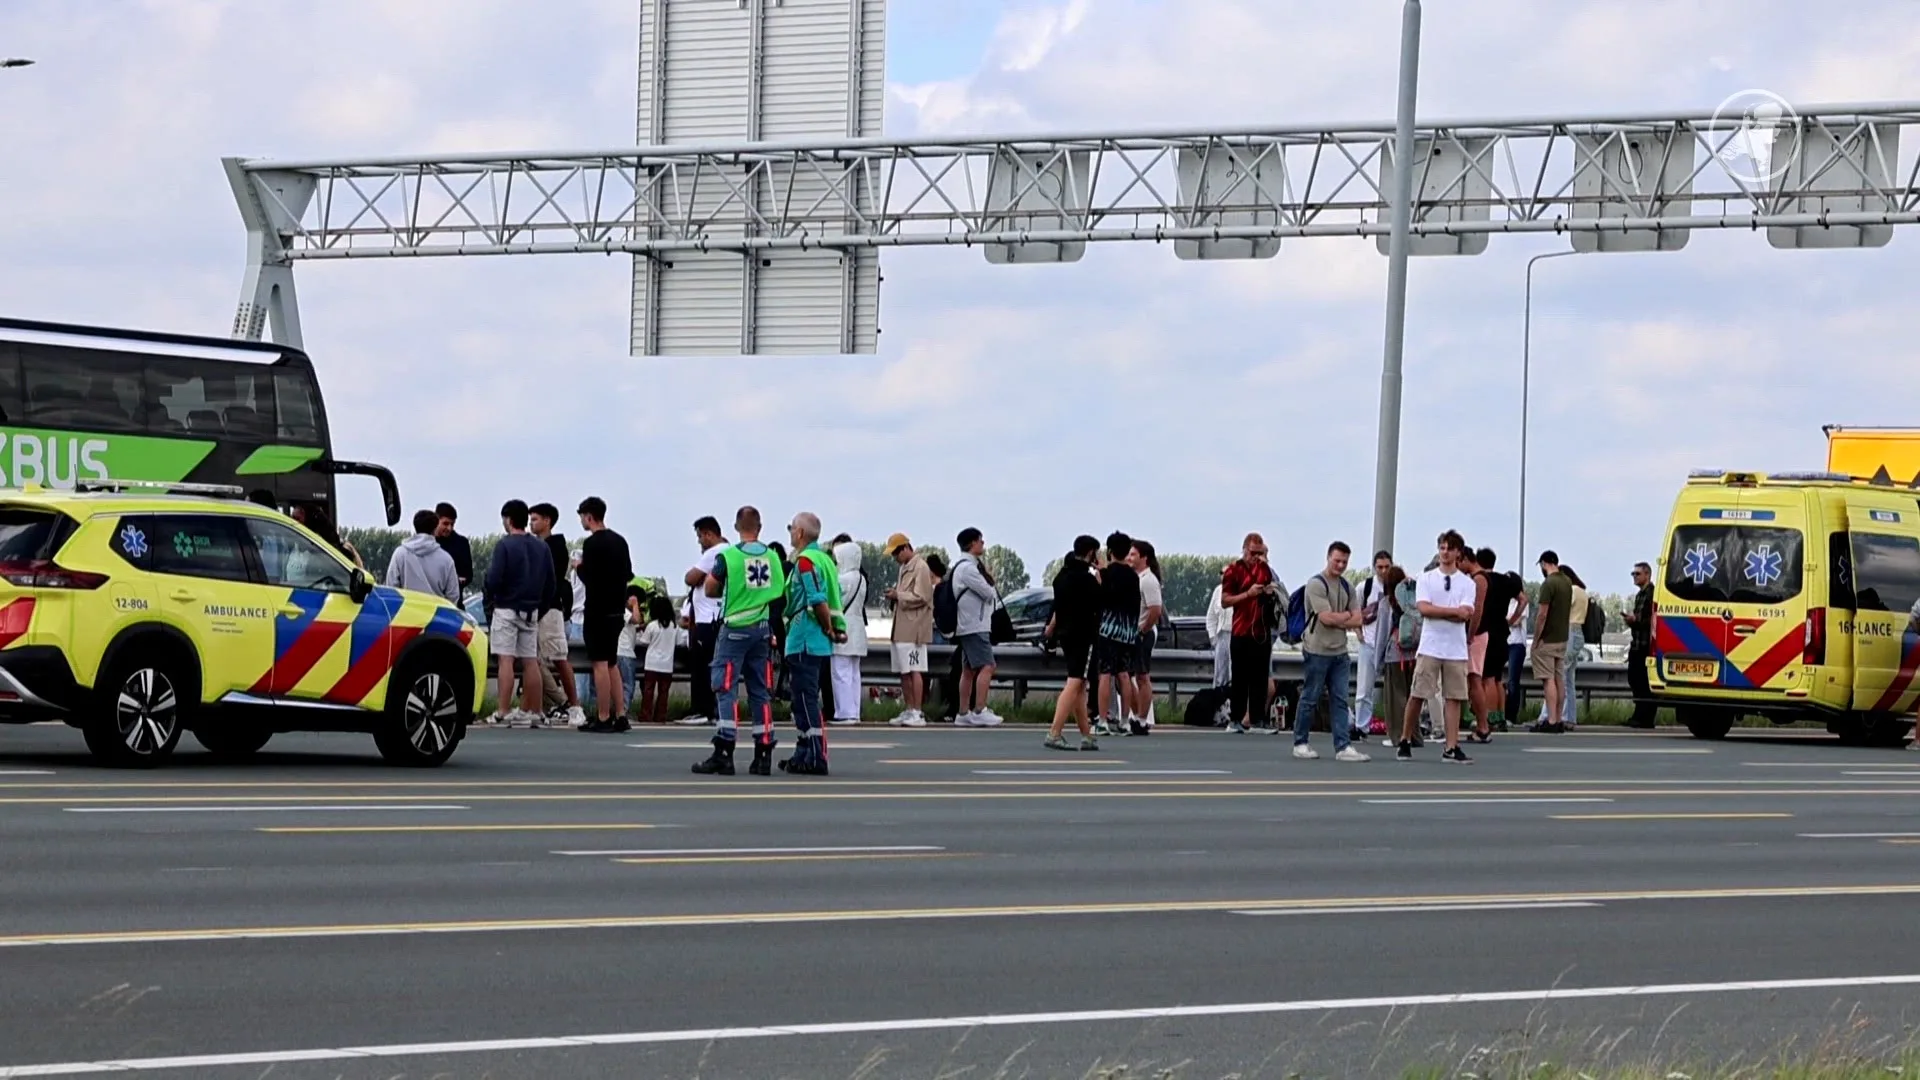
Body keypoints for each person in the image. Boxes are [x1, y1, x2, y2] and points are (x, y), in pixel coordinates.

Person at [693, 507, 786, 777]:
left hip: (734, 629)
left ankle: (724, 750)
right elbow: (778, 589)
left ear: (736, 527)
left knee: (726, 689)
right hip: (762, 629)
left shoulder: (728, 556)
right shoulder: (772, 557)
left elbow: (710, 587)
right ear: (760, 527)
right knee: (760, 691)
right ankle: (764, 753)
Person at [779, 513, 846, 775]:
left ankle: (816, 754)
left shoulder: (807, 561)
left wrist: (828, 627)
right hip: (815, 639)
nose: (790, 533)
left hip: (806, 637)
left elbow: (817, 598)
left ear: (800, 533)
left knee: (805, 700)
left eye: (791, 528)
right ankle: (804, 751)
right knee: (802, 699)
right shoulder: (826, 560)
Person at [1404, 530, 1475, 764]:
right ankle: (1405, 738)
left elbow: (1466, 614)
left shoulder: (1467, 583)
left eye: (1449, 548)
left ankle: (1451, 746)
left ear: (1457, 552)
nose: (1445, 552)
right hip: (1430, 646)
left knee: (1453, 696)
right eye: (1442, 548)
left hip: (1455, 649)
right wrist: (1452, 611)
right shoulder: (1426, 578)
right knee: (1418, 693)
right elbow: (1424, 609)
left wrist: (1444, 612)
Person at [483, 499, 554, 726]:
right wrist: (539, 607)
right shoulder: (542, 547)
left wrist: (492, 600)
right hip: (532, 610)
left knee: (506, 661)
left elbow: (494, 579)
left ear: (508, 520)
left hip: (506, 608)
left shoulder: (504, 545)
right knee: (530, 661)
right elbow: (551, 584)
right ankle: (536, 709)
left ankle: (503, 710)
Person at [1296, 541, 1368, 762]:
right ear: (1328, 558)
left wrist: (1344, 618)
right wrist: (1346, 617)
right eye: (1337, 560)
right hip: (1317, 650)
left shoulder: (1348, 587)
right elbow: (1325, 618)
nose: (1340, 565)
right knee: (1310, 697)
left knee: (1340, 699)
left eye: (1344, 562)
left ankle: (1343, 746)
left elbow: (1359, 617)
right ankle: (1300, 742)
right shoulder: (1315, 584)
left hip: (1340, 652)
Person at [576, 497, 634, 733]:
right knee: (612, 663)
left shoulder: (592, 545)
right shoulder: (620, 541)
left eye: (582, 516)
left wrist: (578, 567)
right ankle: (621, 714)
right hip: (616, 610)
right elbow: (627, 574)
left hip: (597, 610)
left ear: (589, 516)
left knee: (599, 663)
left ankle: (603, 716)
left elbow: (589, 578)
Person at [528, 503, 586, 730]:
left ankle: (574, 707)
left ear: (547, 521)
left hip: (550, 609)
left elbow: (549, 580)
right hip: (535, 609)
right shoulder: (536, 546)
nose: (531, 523)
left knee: (559, 658)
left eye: (535, 519)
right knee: (535, 660)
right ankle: (537, 709)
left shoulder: (555, 547)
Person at [1044, 535, 1103, 752]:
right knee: (1075, 681)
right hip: (1084, 635)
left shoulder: (1062, 576)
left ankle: (1086, 735)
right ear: (1091, 553)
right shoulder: (1086, 579)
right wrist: (1099, 578)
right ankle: (1055, 732)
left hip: (1066, 634)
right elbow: (1100, 601)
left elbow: (1059, 606)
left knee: (1080, 685)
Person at [1221, 533, 1279, 735]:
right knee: (1240, 677)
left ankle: (1257, 719)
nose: (1257, 557)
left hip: (1261, 631)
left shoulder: (1265, 571)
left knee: (1260, 677)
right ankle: (1235, 718)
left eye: (1260, 553)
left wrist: (1269, 593)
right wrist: (1248, 594)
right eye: (1253, 553)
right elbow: (1225, 600)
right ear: (1245, 549)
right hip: (1241, 630)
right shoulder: (1233, 570)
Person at [1092, 532, 1142, 737]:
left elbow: (1100, 600)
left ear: (1110, 551)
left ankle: (1103, 720)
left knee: (1105, 674)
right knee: (1124, 674)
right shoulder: (1133, 575)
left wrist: (1101, 575)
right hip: (1128, 631)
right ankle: (1125, 721)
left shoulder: (1105, 573)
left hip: (1108, 630)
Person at [951, 528, 1002, 727]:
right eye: (980, 541)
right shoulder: (968, 569)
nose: (983, 544)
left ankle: (963, 712)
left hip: (969, 624)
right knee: (988, 666)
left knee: (969, 670)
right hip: (975, 624)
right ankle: (980, 709)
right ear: (972, 543)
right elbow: (989, 593)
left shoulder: (963, 567)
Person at [679, 517, 727, 726]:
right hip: (720, 618)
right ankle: (714, 709)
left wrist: (698, 575)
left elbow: (690, 578)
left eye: (700, 536)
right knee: (714, 665)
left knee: (701, 667)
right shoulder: (730, 552)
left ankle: (702, 710)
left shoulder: (714, 553)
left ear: (708, 534)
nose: (699, 541)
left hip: (707, 621)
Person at [884, 533, 933, 727]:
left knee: (914, 669)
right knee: (904, 671)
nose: (895, 558)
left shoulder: (920, 567)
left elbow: (922, 596)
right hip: (902, 626)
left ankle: (917, 711)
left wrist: (899, 595)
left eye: (896, 553)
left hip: (914, 627)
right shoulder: (905, 567)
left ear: (905, 548)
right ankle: (909, 708)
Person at [1474, 550, 1518, 735]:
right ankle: (1500, 715)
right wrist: (1512, 619)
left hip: (1488, 630)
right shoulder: (1505, 580)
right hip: (1503, 630)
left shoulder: (1483, 580)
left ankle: (1489, 717)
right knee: (1498, 678)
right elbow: (1523, 599)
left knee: (1487, 678)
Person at [1531, 551, 1573, 735]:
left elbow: (1542, 614)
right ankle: (1559, 717)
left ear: (1544, 563)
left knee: (1548, 679)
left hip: (1547, 639)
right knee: (1559, 678)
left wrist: (1536, 638)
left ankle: (1552, 720)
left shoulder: (1549, 584)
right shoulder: (1567, 582)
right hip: (1562, 637)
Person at [1126, 540, 1164, 736]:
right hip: (1134, 632)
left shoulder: (1148, 580)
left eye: (1133, 554)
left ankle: (1142, 717)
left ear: (1144, 558)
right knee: (1128, 676)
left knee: (1142, 676)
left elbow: (1155, 610)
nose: (1129, 558)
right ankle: (1136, 715)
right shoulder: (1136, 578)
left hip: (1144, 633)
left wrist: (1143, 630)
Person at [385, 509, 460, 605]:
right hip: (436, 616)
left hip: (406, 614)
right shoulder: (446, 560)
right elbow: (453, 595)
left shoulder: (400, 554)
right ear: (435, 528)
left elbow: (391, 587)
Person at [830, 538, 868, 727]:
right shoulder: (861, 579)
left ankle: (845, 712)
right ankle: (854, 711)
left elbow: (836, 605)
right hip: (858, 628)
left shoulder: (842, 580)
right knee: (854, 673)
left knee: (840, 672)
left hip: (844, 628)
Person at [1380, 566, 1418, 752]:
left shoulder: (1387, 603)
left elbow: (1382, 634)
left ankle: (1398, 735)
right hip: (1414, 653)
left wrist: (1378, 660)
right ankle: (1415, 735)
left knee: (1397, 699)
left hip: (1395, 654)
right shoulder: (1413, 600)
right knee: (1413, 696)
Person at [1356, 550, 1393, 738]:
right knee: (1364, 688)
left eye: (1387, 567)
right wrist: (1358, 633)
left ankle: (1394, 726)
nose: (1383, 571)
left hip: (1390, 645)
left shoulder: (1396, 587)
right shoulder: (1366, 587)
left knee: (1394, 689)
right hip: (1369, 642)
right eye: (1380, 567)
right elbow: (1356, 611)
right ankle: (1361, 726)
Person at [1456, 547, 1491, 743]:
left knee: (1474, 680)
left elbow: (1477, 610)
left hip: (1476, 635)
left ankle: (1483, 726)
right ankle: (1482, 725)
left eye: (1460, 561)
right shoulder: (1480, 578)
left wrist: (1469, 635)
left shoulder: (1479, 579)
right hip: (1478, 634)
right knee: (1473, 680)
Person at [1624, 561, 1658, 729]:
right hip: (1637, 642)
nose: (1634, 577)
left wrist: (1636, 621)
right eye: (1633, 574)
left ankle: (1646, 717)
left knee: (1643, 682)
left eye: (1637, 574)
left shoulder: (1652, 594)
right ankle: (1638, 714)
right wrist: (1632, 622)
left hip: (1646, 645)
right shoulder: (1639, 595)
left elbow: (1651, 621)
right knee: (1634, 680)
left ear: (1647, 575)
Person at [1558, 564, 1591, 731]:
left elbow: (1561, 610)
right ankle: (1570, 718)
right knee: (1569, 679)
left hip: (1570, 631)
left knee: (1560, 676)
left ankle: (1557, 716)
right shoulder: (1582, 591)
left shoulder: (1571, 591)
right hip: (1578, 633)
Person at [636, 593, 677, 725]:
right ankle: (661, 716)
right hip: (667, 665)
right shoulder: (674, 626)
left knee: (648, 691)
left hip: (652, 664)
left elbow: (643, 641)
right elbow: (679, 642)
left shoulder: (652, 625)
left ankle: (645, 715)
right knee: (663, 692)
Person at [291, 503, 362, 568]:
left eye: (297, 518)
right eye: (292, 518)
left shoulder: (318, 522)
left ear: (303, 514)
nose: (295, 522)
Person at [434, 502, 474, 593]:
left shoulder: (461, 543)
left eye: (452, 524)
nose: (449, 528)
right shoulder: (427, 542)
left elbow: (467, 576)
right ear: (436, 520)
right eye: (445, 524)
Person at [1205, 577, 1232, 691]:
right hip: (1221, 636)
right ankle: (1219, 704)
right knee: (1220, 677)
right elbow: (1211, 617)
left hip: (1237, 635)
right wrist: (1213, 638)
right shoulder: (1218, 590)